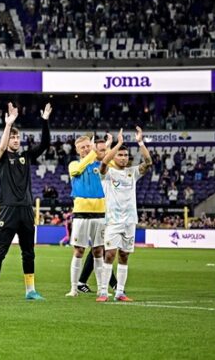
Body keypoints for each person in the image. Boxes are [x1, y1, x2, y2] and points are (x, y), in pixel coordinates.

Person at [0, 101, 49, 302]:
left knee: (28, 253)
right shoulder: (2, 157)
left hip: (26, 210)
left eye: (17, 137)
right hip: (7, 209)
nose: (15, 140)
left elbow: (45, 144)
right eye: (12, 137)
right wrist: (8, 125)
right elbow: (2, 146)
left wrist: (45, 121)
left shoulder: (26, 155)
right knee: (0, 252)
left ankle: (30, 290)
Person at [96, 127, 152, 302]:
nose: (123, 158)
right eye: (120, 155)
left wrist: (140, 142)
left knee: (124, 255)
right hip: (113, 220)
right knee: (110, 254)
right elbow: (104, 163)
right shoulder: (108, 174)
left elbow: (148, 162)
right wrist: (117, 144)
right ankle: (104, 291)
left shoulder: (132, 173)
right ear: (115, 156)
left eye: (125, 155)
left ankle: (120, 292)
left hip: (129, 221)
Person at [67, 133, 109, 297]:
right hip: (81, 213)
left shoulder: (100, 165)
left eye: (87, 146)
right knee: (79, 250)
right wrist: (92, 152)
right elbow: (78, 170)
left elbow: (108, 159)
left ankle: (101, 289)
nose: (86, 149)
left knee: (98, 251)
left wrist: (109, 146)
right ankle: (73, 288)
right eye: (82, 147)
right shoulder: (73, 164)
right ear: (77, 150)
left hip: (99, 212)